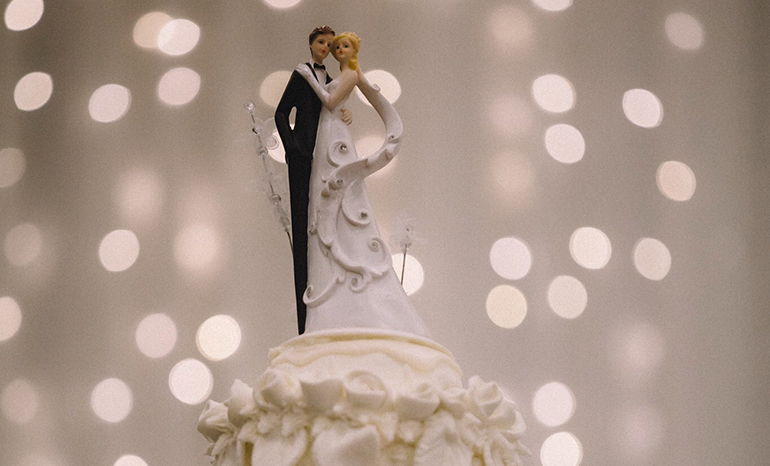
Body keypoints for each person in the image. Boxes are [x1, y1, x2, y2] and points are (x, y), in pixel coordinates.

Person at [293, 32, 430, 337]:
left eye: (344, 46)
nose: (338, 49)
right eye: (336, 46)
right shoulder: (340, 75)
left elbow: (330, 100)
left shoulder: (351, 74)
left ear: (353, 50)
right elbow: (334, 103)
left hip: (335, 140)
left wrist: (310, 79)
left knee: (344, 197)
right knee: (325, 197)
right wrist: (341, 109)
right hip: (328, 136)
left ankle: (347, 260)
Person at [274, 26, 351, 335]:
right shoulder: (302, 74)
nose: (325, 48)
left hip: (324, 159)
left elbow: (333, 107)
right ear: (311, 44)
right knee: (301, 221)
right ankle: (303, 324)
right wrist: (292, 147)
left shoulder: (329, 80)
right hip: (303, 155)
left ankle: (319, 312)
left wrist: (345, 114)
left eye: (330, 44)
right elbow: (281, 113)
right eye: (321, 42)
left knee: (320, 222)